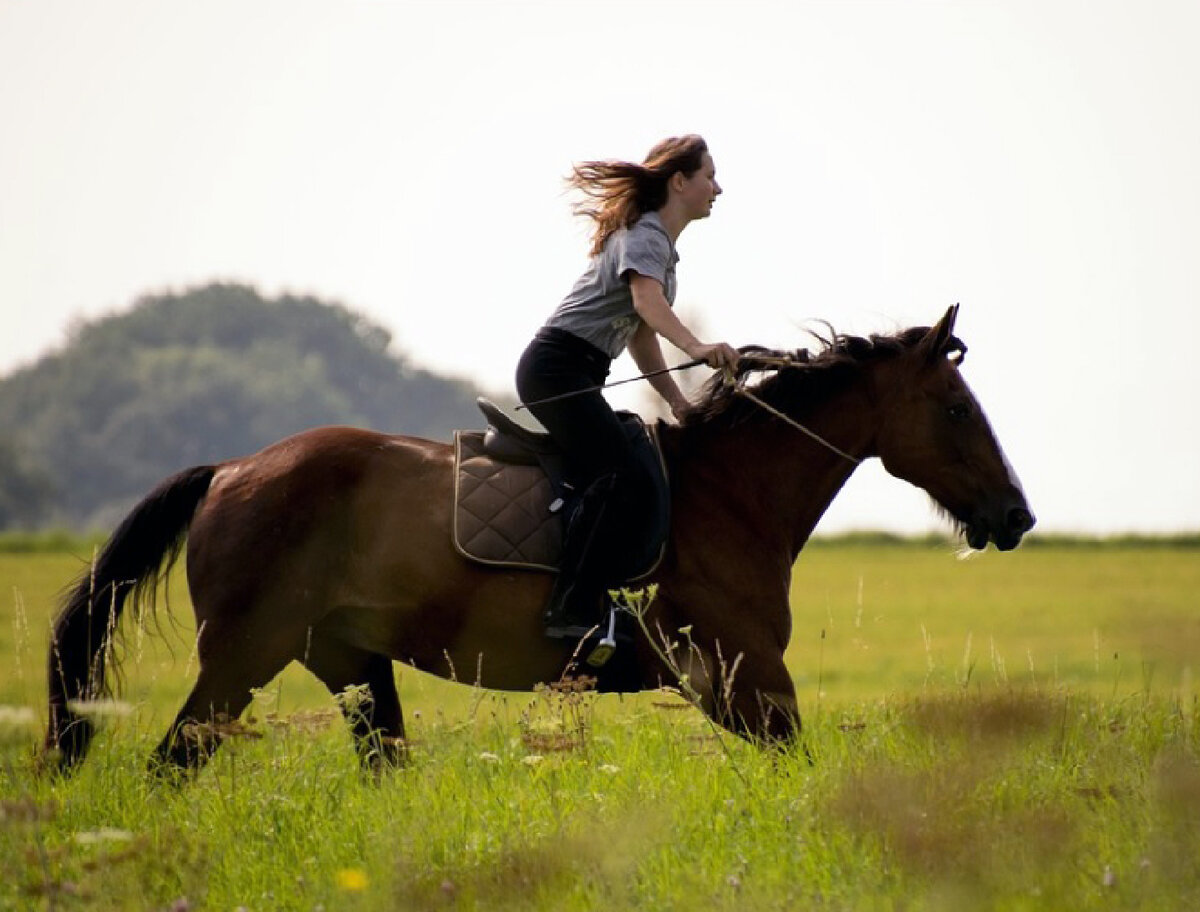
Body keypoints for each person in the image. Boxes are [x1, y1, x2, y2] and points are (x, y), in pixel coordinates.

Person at [515, 134, 740, 639]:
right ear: (679, 182)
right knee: (621, 474)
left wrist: (678, 402)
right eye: (709, 177)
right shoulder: (646, 237)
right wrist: (697, 346)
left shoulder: (659, 247)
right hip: (555, 369)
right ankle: (571, 608)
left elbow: (640, 334)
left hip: (573, 371)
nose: (718, 188)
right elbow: (646, 306)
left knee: (627, 461)